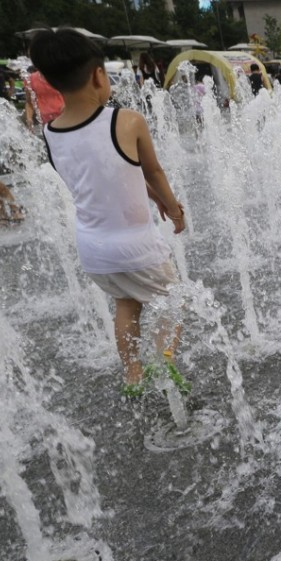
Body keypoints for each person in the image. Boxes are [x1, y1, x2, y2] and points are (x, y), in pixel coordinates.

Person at [29, 29, 190, 397]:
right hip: (136, 246)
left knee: (127, 303)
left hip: (94, 250)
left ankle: (132, 374)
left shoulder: (50, 134)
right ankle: (164, 362)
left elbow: (112, 177)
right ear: (98, 76)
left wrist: (152, 198)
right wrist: (172, 207)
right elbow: (152, 170)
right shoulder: (126, 120)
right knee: (174, 300)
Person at [23, 66, 64, 131]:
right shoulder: (30, 79)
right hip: (45, 122)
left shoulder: (62, 75)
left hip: (65, 118)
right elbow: (29, 102)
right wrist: (29, 118)